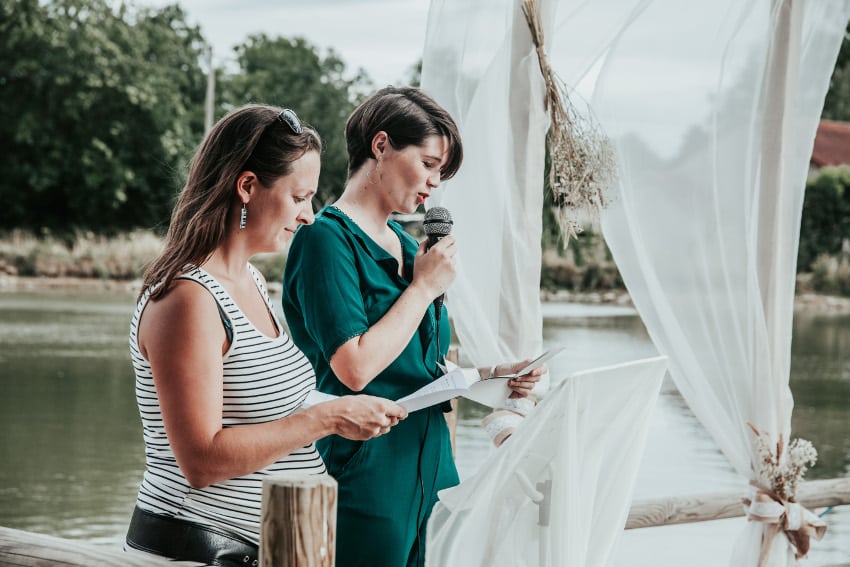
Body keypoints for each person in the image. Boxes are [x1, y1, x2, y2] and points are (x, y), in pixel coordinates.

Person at [124, 104, 407, 567]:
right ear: (248, 186)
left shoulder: (251, 280)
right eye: (299, 197)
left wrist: (355, 407)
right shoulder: (188, 299)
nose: (310, 216)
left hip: (267, 549)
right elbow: (201, 461)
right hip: (198, 552)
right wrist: (329, 418)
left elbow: (261, 404)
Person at [282, 86, 544, 567]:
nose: (433, 185)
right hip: (366, 465)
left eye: (440, 172)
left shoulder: (409, 245)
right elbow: (354, 367)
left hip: (433, 464)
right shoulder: (325, 239)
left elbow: (416, 363)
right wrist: (422, 289)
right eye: (427, 164)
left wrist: (495, 374)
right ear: (380, 145)